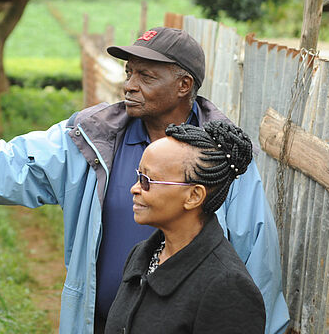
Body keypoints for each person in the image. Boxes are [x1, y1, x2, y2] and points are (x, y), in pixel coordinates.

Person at [0, 27, 289, 334]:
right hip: (101, 321)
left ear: (184, 86)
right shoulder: (96, 137)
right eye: (129, 72)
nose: (131, 85)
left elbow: (257, 258)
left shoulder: (221, 160)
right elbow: (13, 163)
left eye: (146, 76)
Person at [104, 121, 265, 334]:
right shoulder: (142, 255)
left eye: (147, 180)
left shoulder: (227, 287)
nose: (135, 188)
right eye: (138, 176)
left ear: (194, 196)